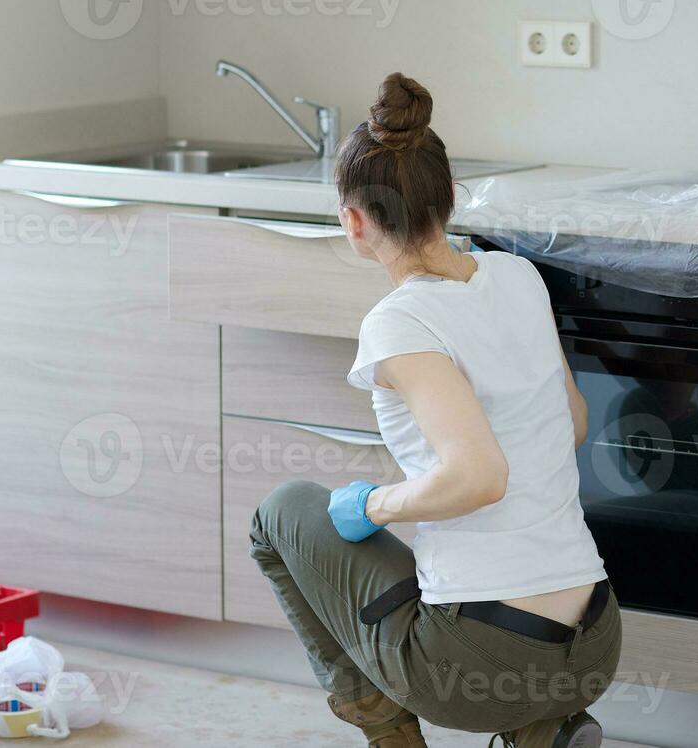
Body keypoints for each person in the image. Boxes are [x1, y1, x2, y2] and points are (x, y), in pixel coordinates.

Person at [249, 73, 619, 748]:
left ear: (355, 223)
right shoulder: (518, 276)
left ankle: (397, 738)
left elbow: (480, 477)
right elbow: (573, 424)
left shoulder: (400, 322)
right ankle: (543, 727)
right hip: (593, 641)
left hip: (480, 660)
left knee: (281, 513)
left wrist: (374, 505)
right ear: (449, 199)